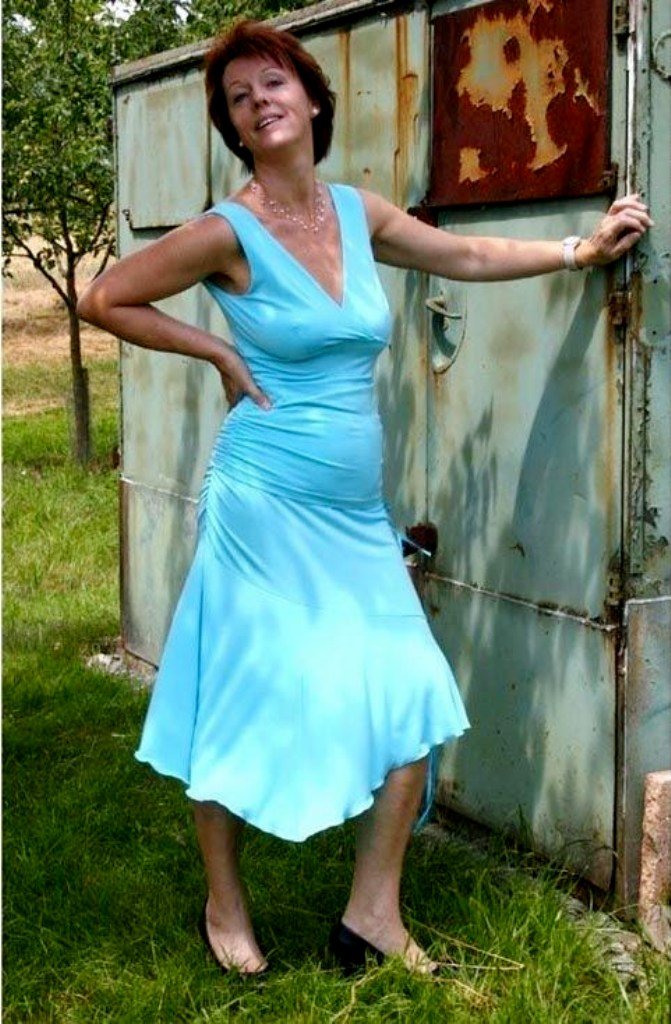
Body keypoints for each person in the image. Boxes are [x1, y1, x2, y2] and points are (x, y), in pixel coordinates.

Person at [78, 19, 652, 978]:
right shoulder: (227, 231)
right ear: (233, 128)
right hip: (263, 503)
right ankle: (225, 903)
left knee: (411, 693)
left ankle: (370, 917)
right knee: (242, 694)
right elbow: (105, 299)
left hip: (349, 517)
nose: (257, 103)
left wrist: (575, 250)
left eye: (272, 85)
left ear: (311, 99)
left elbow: (462, 258)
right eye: (237, 99)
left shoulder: (355, 212)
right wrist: (215, 349)